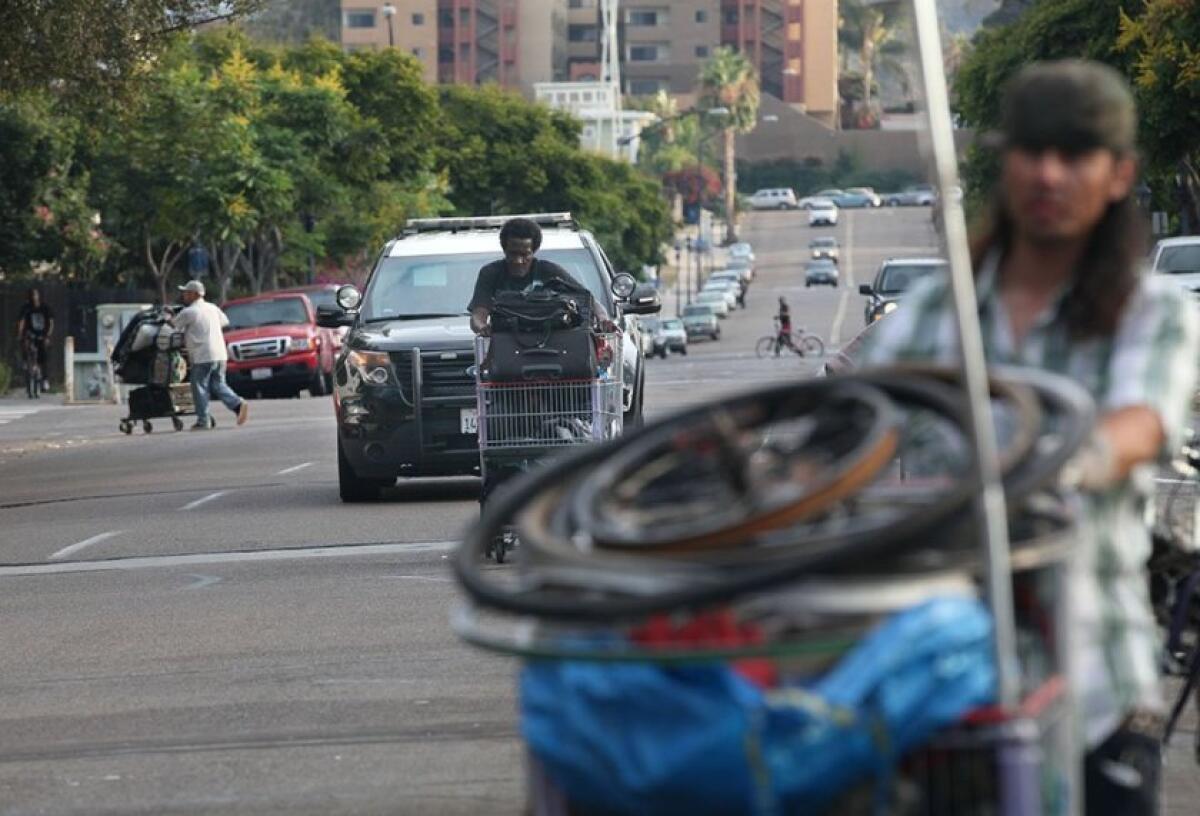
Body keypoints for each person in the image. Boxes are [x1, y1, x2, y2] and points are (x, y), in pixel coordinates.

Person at [861, 60, 1199, 815]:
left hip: (1096, 690)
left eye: (1075, 154)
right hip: (947, 696)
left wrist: (1071, 460)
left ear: (1118, 174)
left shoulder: (1154, 314)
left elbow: (1140, 422)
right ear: (1004, 162)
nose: (1049, 173)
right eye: (1031, 150)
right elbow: (857, 420)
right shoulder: (937, 315)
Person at [468, 217, 590, 336]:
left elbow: (587, 298)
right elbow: (479, 313)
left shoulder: (549, 271)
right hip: (505, 343)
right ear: (504, 250)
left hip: (551, 342)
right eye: (513, 253)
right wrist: (482, 327)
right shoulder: (491, 273)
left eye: (525, 254)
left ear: (534, 251)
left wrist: (602, 317)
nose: (518, 261)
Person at [170, 281, 249, 430]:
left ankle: (203, 420)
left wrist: (168, 316)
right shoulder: (213, 308)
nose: (184, 295)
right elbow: (225, 321)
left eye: (186, 292)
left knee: (199, 387)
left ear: (194, 294)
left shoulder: (189, 312)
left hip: (202, 355)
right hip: (220, 354)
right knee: (218, 384)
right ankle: (237, 404)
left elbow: (172, 325)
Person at [16, 287, 53, 392]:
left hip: (42, 334)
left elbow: (51, 323)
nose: (34, 297)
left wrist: (48, 335)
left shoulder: (45, 307)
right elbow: (22, 321)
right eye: (33, 295)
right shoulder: (26, 307)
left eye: (36, 295)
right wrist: (20, 333)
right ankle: (26, 363)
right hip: (30, 333)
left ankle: (45, 379)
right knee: (25, 344)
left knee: (43, 355)